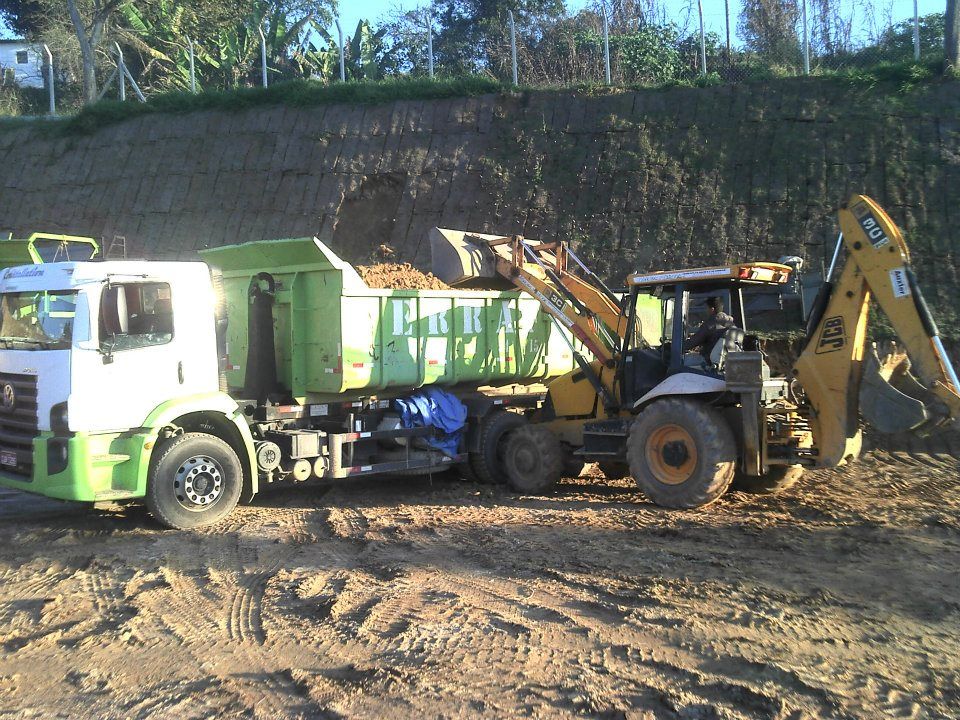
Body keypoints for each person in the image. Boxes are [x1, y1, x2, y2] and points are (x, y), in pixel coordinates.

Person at [683, 296, 735, 361]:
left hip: (708, 360)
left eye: (706, 308)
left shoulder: (710, 324)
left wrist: (678, 346)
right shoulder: (730, 323)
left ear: (712, 309)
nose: (705, 310)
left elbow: (692, 342)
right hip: (723, 359)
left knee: (683, 359)